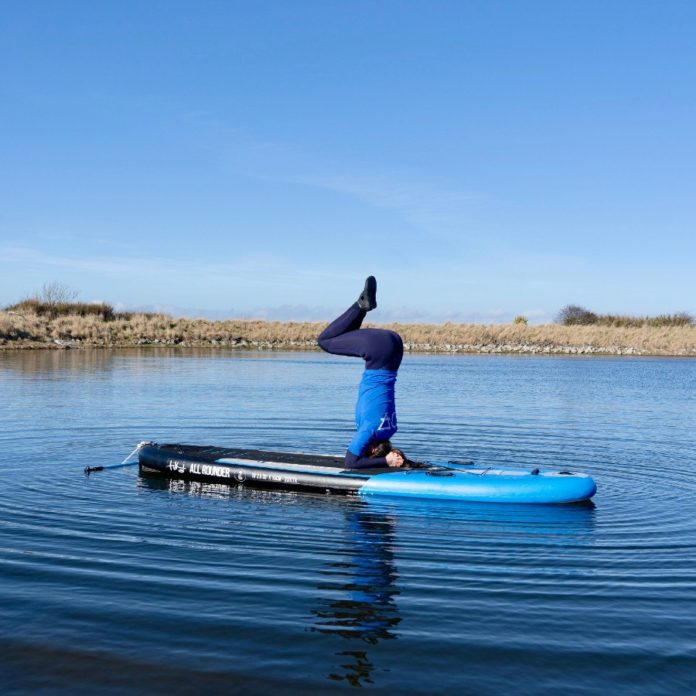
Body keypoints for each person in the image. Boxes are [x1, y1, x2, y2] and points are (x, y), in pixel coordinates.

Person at [318, 276, 407, 469]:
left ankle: (363, 306)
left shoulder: (391, 429)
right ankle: (361, 305)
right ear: (373, 450)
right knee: (325, 341)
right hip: (379, 351)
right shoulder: (369, 432)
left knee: (343, 337)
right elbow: (351, 462)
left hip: (395, 349)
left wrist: (394, 458)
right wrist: (385, 461)